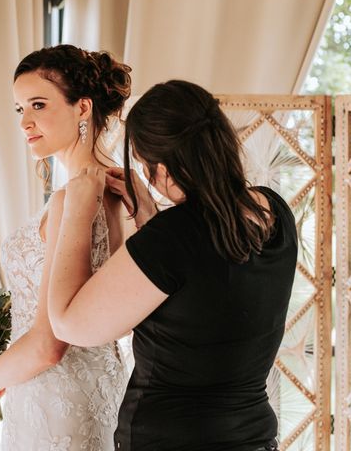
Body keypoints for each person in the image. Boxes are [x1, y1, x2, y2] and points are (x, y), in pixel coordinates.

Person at [47, 80, 297, 451]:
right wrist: (149, 217)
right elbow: (205, 290)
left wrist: (77, 213)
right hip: (253, 437)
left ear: (160, 168)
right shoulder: (275, 211)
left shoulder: (175, 236)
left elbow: (69, 324)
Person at [0, 44, 132, 451]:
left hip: (56, 401)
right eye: (20, 109)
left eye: (38, 104)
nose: (25, 121)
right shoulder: (120, 191)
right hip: (97, 390)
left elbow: (50, 343)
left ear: (82, 107)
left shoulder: (75, 199)